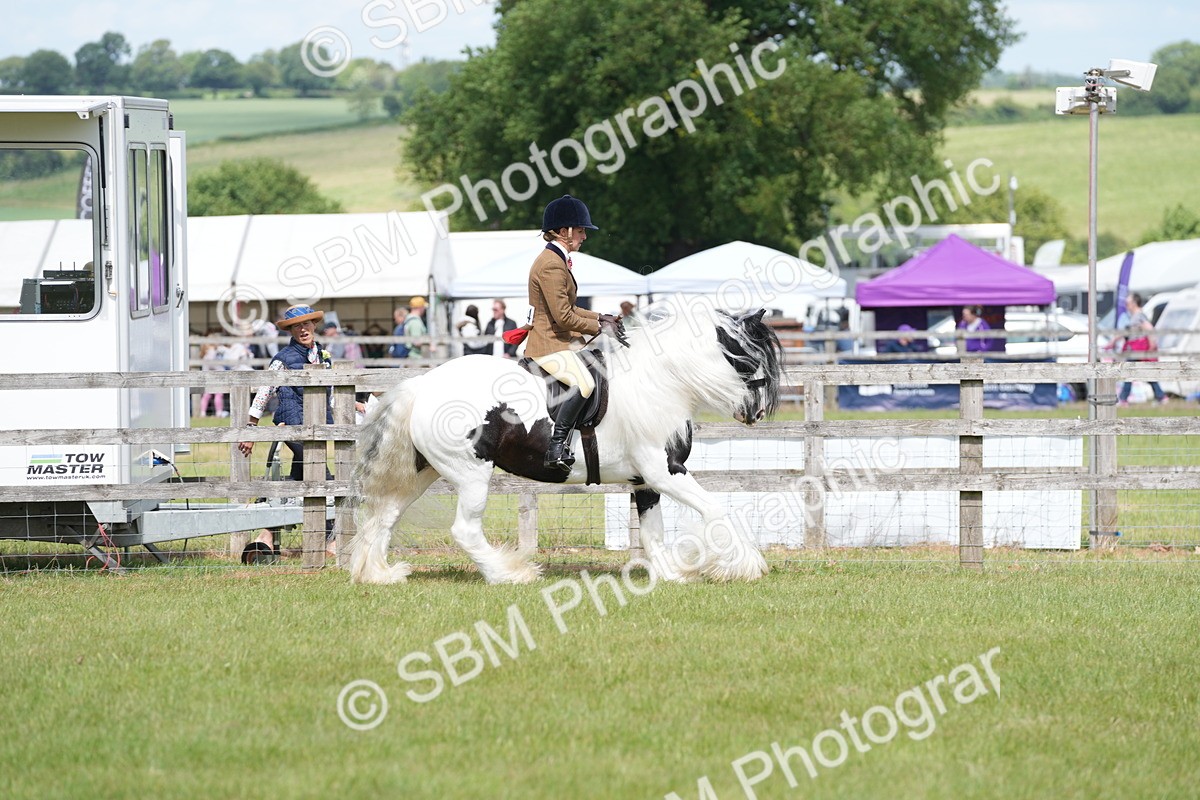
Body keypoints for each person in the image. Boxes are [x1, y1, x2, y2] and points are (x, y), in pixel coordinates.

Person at [525, 194, 625, 471]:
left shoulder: (557, 259)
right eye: (581, 231)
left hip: (558, 340)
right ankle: (557, 446)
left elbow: (570, 307)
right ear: (564, 231)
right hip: (548, 344)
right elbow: (563, 316)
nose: (584, 236)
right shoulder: (551, 264)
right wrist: (599, 327)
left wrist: (602, 317)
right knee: (584, 383)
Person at [238, 304, 335, 553]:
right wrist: (251, 428)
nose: (303, 329)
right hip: (292, 425)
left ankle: (266, 535)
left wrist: (353, 404)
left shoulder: (324, 356)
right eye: (296, 326)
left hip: (318, 425)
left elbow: (330, 393)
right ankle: (330, 540)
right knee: (324, 477)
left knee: (298, 477)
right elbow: (264, 392)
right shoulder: (282, 359)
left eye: (306, 324)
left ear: (314, 325)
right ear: (291, 330)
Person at [1117, 292, 1166, 406]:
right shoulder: (1134, 316)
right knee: (1146, 373)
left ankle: (1123, 399)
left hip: (1138, 350)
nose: (1126, 305)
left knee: (1128, 371)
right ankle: (1161, 396)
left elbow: (1149, 329)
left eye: (1128, 302)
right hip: (1136, 349)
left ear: (1134, 303)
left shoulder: (1139, 315)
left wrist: (1151, 346)